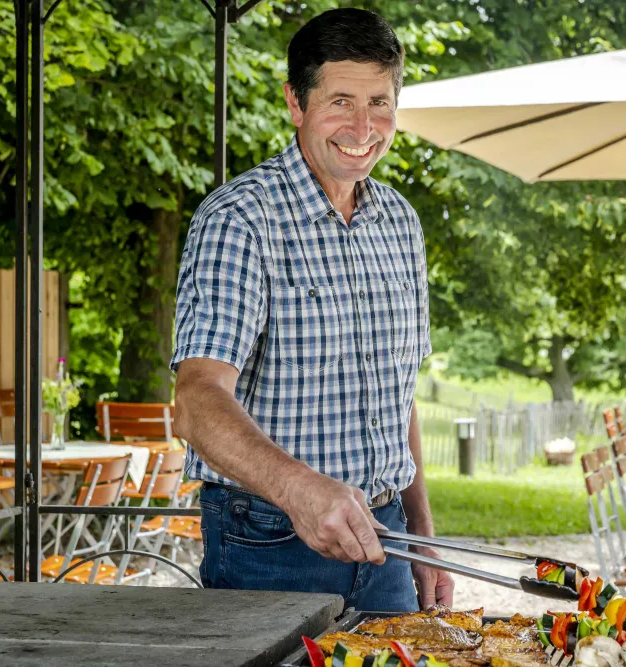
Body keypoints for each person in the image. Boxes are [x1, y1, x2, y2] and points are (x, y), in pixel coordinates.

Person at [171, 9, 453, 612]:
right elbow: (197, 401)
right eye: (341, 101)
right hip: (268, 541)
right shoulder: (239, 220)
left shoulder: (400, 223)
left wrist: (423, 533)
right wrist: (302, 492)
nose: (363, 125)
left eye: (380, 102)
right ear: (296, 104)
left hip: (388, 542)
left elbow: (398, 398)